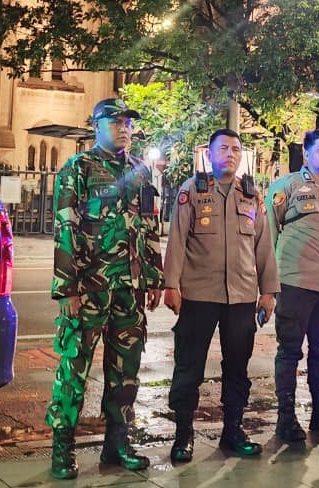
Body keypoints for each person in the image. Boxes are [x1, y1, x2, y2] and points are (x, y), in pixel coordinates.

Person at [47, 98, 163, 480]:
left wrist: (154, 277)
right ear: (96, 126)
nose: (124, 128)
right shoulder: (78, 168)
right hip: (89, 288)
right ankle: (62, 447)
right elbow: (65, 227)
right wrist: (67, 288)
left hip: (129, 288)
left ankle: (118, 443)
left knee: (126, 370)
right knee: (74, 367)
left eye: (127, 122)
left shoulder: (140, 171)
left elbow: (149, 224)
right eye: (115, 122)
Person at [164, 129, 279, 462]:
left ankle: (233, 431)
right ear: (209, 154)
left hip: (241, 296)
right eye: (224, 148)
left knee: (237, 368)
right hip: (198, 294)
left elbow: (264, 246)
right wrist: (171, 285)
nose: (230, 154)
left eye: (236, 149)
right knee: (189, 366)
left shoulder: (251, 195)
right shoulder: (192, 190)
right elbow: (177, 240)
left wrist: (268, 291)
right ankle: (183, 434)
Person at [266, 127, 319, 441]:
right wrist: (268, 285)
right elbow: (268, 236)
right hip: (294, 284)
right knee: (290, 352)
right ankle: (286, 419)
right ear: (306, 154)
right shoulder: (286, 187)